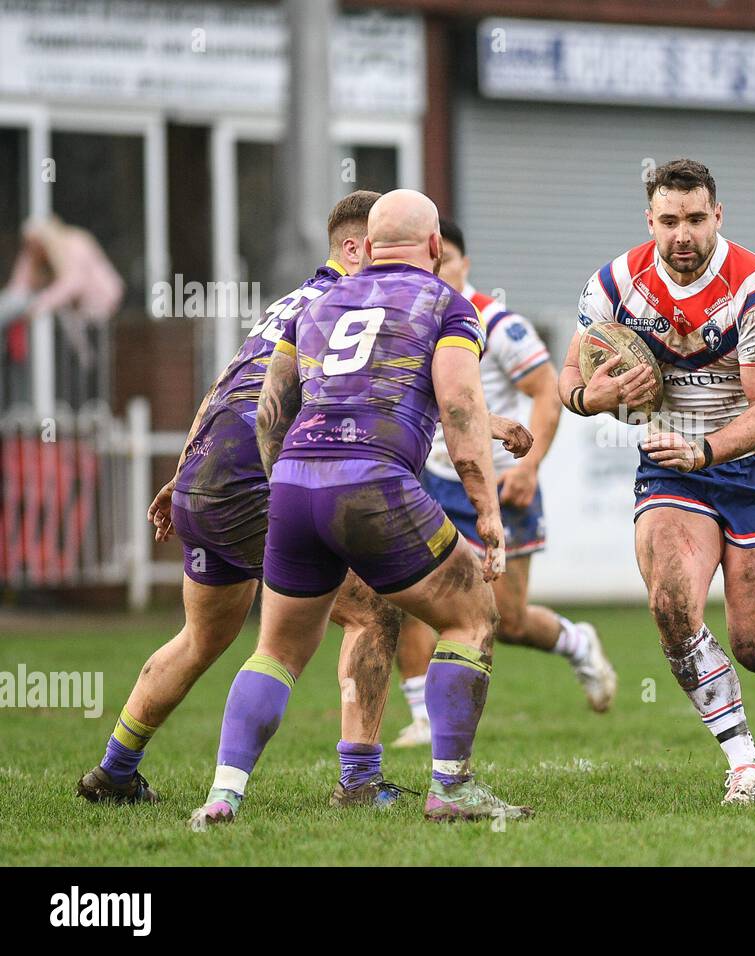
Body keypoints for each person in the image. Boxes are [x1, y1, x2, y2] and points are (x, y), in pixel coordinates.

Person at [189, 189, 531, 827]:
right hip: (374, 480)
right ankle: (452, 790)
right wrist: (485, 508)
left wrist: (286, 485)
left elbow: (272, 412)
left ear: (367, 248)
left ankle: (224, 794)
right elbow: (457, 408)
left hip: (293, 480)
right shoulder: (446, 304)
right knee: (471, 616)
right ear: (435, 247)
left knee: (276, 650)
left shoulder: (314, 304)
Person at [77, 191, 415, 809]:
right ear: (353, 248)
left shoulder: (290, 303)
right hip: (255, 483)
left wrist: (183, 474)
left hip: (207, 479)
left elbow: (224, 384)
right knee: (371, 611)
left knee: (203, 636)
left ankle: (114, 771)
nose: (403, 264)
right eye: (389, 247)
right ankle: (360, 783)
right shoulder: (349, 305)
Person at [558, 158, 755, 805]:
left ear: (717, 217)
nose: (683, 234)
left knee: (752, 643)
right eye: (669, 220)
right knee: (671, 605)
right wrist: (600, 394)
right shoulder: (615, 284)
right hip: (674, 470)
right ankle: (746, 764)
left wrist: (705, 448)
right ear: (651, 220)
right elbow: (571, 379)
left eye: (696, 219)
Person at [393, 220, 616, 748]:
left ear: (465, 263)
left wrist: (529, 466)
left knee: (507, 620)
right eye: (429, 258)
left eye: (445, 257)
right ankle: (423, 717)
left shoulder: (497, 323)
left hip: (499, 482)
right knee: (410, 597)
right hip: (431, 480)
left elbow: (545, 392)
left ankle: (578, 643)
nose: (437, 267)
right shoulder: (408, 322)